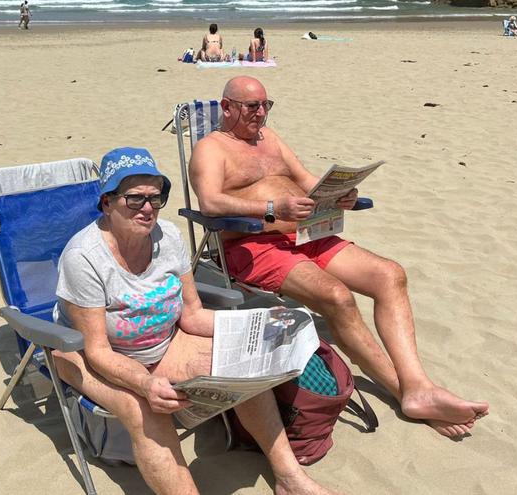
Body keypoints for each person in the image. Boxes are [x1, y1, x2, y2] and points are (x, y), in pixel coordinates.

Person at [188, 77, 490, 439]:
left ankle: (418, 383)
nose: (261, 114)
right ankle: (404, 391)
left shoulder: (270, 139)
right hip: (255, 246)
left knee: (390, 275)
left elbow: (304, 179)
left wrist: (343, 193)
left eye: (266, 106)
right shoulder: (211, 148)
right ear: (226, 107)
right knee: (337, 297)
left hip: (307, 233)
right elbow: (210, 202)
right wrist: (270, 206)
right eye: (253, 107)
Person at [53, 146, 337, 495]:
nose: (147, 209)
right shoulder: (84, 258)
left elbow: (192, 315)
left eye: (156, 198)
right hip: (89, 357)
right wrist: (144, 383)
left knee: (245, 364)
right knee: (142, 408)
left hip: (166, 342)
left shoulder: (168, 237)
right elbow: (96, 350)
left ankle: (290, 478)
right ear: (107, 202)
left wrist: (260, 323)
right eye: (134, 199)